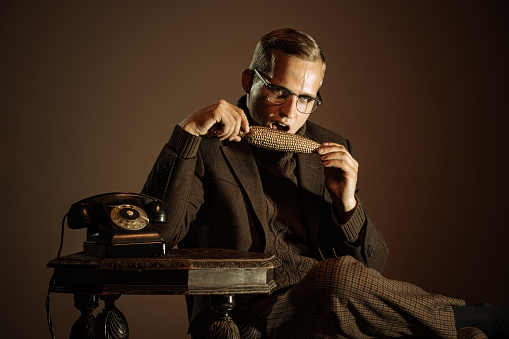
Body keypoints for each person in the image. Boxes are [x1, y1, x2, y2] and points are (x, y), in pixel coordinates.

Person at [142, 28, 508, 338]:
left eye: (306, 99)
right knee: (334, 278)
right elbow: (157, 236)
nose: (290, 113)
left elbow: (372, 269)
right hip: (243, 315)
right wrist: (186, 132)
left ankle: (469, 326)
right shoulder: (204, 147)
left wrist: (346, 204)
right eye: (279, 92)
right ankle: (476, 315)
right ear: (248, 81)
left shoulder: (329, 146)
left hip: (326, 308)